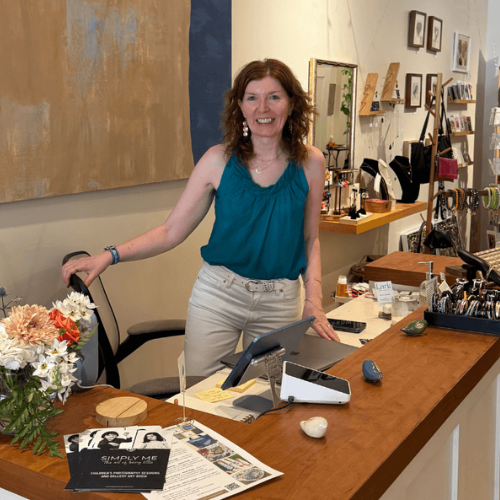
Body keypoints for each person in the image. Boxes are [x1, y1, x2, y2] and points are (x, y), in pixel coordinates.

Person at [62, 58, 339, 377]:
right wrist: (110, 255)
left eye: (274, 97)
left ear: (291, 103)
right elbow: (170, 231)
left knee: (266, 394)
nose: (263, 107)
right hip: (219, 296)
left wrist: (313, 298)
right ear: (241, 106)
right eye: (252, 97)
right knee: (200, 392)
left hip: (279, 301)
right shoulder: (217, 161)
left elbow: (310, 238)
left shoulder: (310, 163)